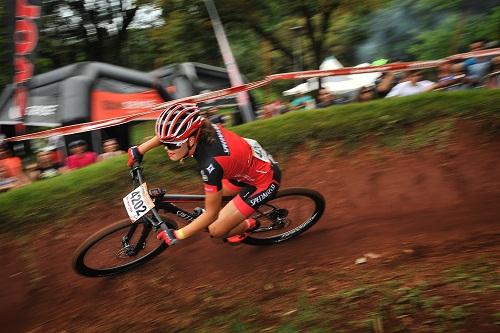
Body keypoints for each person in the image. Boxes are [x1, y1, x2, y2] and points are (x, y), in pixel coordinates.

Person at [127, 103, 281, 245]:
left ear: (192, 140)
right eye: (166, 144)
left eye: (172, 145)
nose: (167, 148)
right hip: (245, 167)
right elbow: (168, 136)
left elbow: (212, 214)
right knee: (213, 197)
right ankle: (232, 214)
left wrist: (179, 234)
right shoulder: (199, 127)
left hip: (263, 181)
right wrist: (140, 150)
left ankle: (250, 224)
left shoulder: (210, 165)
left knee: (215, 230)